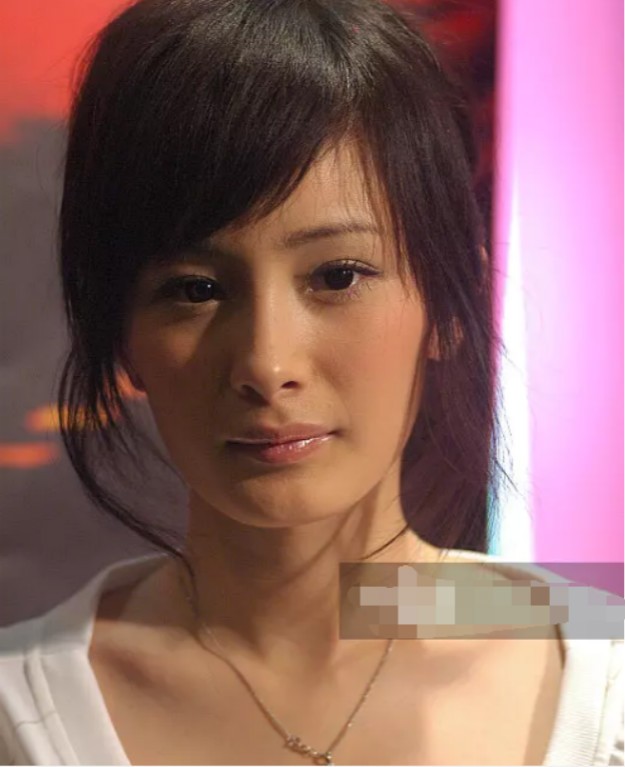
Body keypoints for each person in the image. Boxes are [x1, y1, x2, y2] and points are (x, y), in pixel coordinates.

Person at [0, 0, 622, 764]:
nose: (267, 364)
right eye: (195, 289)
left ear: (448, 299)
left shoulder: (601, 679)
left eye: (337, 276)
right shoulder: (22, 716)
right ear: (121, 331)